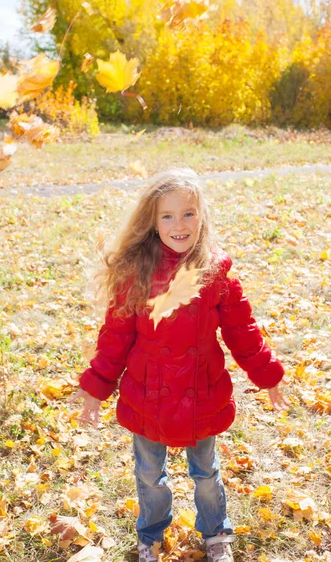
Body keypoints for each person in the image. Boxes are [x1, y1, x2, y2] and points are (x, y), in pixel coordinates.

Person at [70, 168, 289, 562]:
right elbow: (115, 338)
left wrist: (269, 375)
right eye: (167, 216)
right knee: (150, 476)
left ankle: (215, 532)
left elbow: (243, 331)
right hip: (147, 394)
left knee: (206, 473)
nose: (179, 224)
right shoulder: (135, 272)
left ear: (202, 216)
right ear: (152, 221)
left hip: (201, 392)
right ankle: (150, 534)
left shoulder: (215, 271)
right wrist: (95, 390)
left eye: (188, 213)